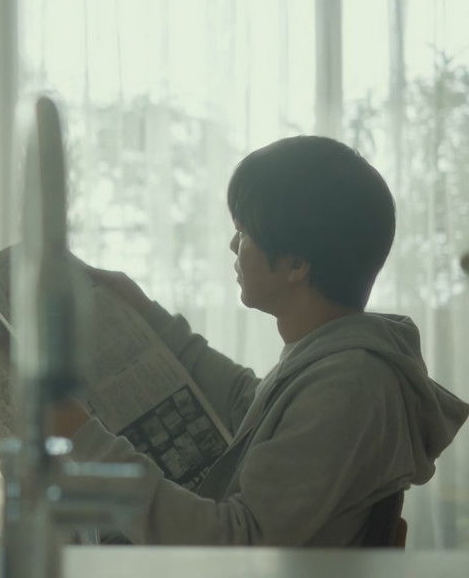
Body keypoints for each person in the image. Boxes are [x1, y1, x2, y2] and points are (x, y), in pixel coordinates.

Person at [47, 135, 468, 545]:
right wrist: (146, 313)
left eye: (244, 232)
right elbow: (247, 406)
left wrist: (84, 438)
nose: (234, 245)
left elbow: (241, 543)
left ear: (296, 264)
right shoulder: (331, 359)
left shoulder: (347, 383)